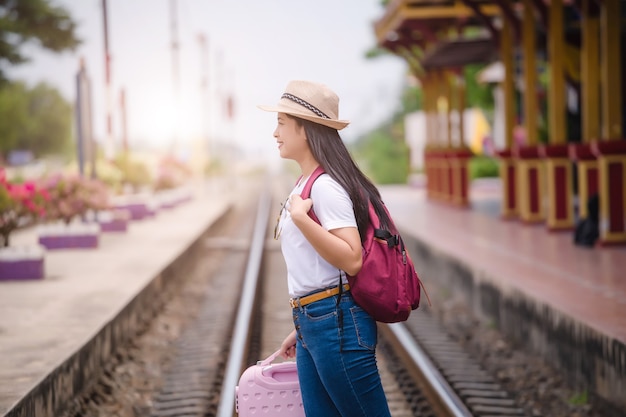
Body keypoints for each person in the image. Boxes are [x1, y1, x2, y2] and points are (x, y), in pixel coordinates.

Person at [258, 80, 392, 417]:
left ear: (304, 129)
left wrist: (303, 221)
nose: (275, 133)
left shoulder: (327, 187)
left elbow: (351, 258)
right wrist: (302, 325)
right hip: (314, 323)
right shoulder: (305, 183)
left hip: (337, 326)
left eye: (282, 124)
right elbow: (319, 269)